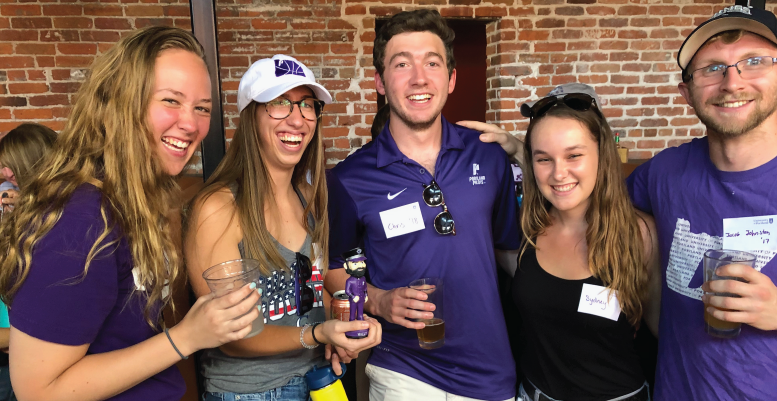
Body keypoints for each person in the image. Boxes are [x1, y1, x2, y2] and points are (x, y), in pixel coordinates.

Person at [0, 26, 261, 401]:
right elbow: (38, 391)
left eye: (202, 108)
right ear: (120, 102)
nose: (191, 123)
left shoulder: (133, 200)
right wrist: (188, 336)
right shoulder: (81, 219)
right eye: (171, 100)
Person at [325, 9, 520, 401]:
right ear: (380, 82)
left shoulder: (488, 157)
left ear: (450, 79)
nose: (419, 77)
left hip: (489, 371)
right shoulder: (348, 179)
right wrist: (378, 299)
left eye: (432, 62)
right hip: (404, 371)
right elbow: (334, 270)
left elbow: (511, 254)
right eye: (401, 64)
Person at [626, 4, 777, 400]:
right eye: (712, 68)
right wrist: (521, 156)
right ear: (686, 93)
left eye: (753, 62)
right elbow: (592, 201)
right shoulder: (664, 173)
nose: (732, 82)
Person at [184, 55, 381, 401]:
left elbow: (308, 290)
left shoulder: (305, 196)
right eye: (279, 104)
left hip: (317, 379)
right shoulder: (218, 208)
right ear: (251, 116)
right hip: (253, 391)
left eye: (307, 105)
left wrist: (345, 327)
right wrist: (319, 333)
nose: (298, 118)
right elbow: (232, 335)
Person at [509, 83, 659, 401]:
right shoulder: (528, 229)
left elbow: (666, 334)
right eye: (544, 159)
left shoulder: (639, 235)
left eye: (574, 155)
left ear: (601, 155)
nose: (559, 173)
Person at [0, 122, 57, 401]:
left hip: (44, 350)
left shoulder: (60, 215)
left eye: (10, 166)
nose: (5, 174)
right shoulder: (20, 208)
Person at [0, 123, 57, 214]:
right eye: (2, 166)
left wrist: (28, 205)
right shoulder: (6, 189)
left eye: (15, 164)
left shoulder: (73, 196)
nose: (8, 174)